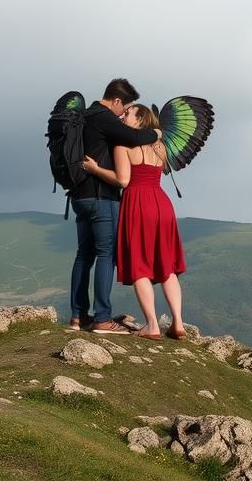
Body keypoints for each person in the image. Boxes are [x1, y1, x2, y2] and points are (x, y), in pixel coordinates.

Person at [83, 103, 187, 341]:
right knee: (166, 266)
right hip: (162, 203)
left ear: (140, 120)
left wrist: (95, 168)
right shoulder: (160, 145)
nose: (122, 117)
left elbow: (123, 180)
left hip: (138, 203)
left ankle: (152, 325)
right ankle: (178, 324)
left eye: (128, 114)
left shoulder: (123, 144)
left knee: (140, 264)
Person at [69, 78, 162, 334]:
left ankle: (78, 316)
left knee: (83, 255)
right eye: (125, 108)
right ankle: (102, 318)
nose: (122, 114)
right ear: (117, 101)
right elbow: (133, 137)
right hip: (102, 197)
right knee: (106, 254)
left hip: (79, 197)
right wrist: (156, 132)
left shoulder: (85, 116)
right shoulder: (104, 116)